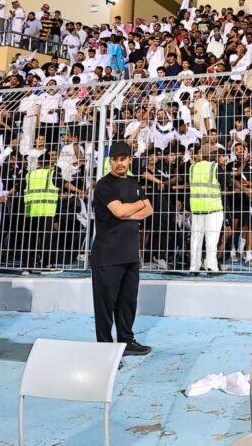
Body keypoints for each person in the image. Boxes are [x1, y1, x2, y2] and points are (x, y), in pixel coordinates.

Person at [91, 141, 153, 355]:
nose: (119, 163)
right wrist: (137, 206)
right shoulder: (104, 185)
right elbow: (119, 211)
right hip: (107, 255)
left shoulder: (134, 182)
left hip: (130, 254)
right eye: (115, 159)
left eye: (123, 159)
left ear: (130, 160)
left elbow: (149, 209)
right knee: (105, 306)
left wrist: (130, 212)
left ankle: (126, 341)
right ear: (110, 161)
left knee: (128, 302)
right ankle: (105, 350)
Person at [187, 148, 224, 274]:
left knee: (195, 240)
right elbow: (225, 183)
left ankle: (194, 267)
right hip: (213, 208)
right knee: (212, 239)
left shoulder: (192, 168)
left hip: (196, 208)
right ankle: (211, 266)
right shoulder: (215, 167)